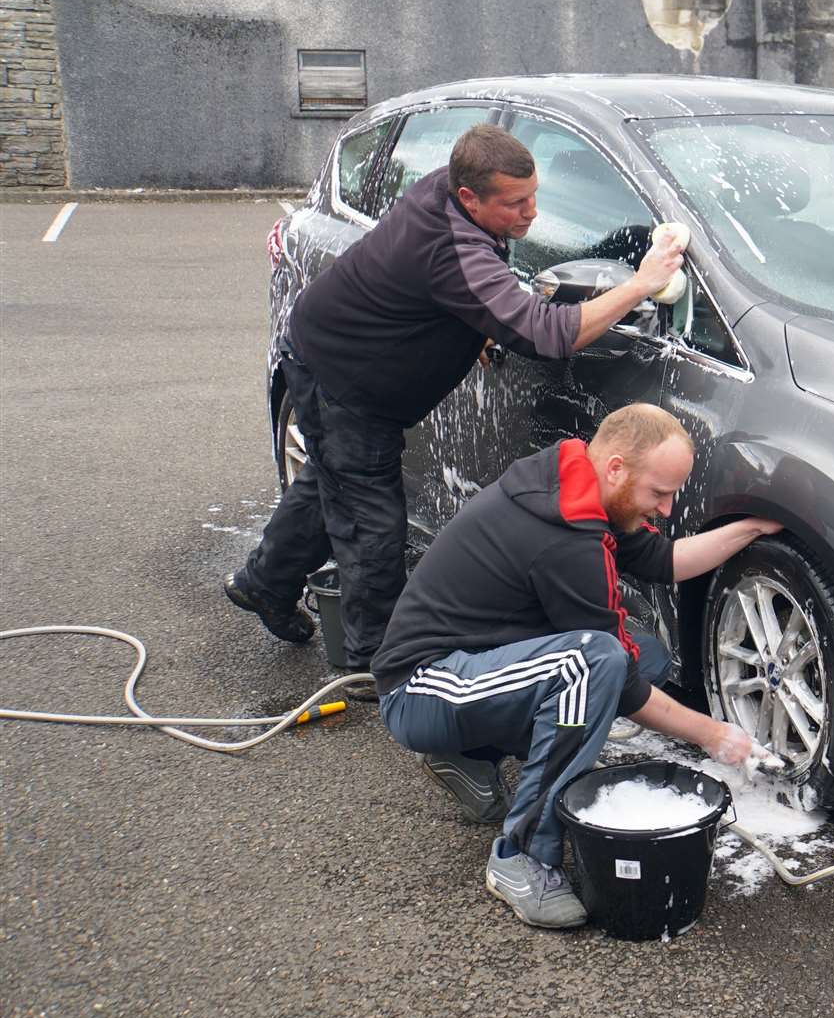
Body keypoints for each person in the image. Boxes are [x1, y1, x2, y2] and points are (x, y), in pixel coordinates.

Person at [223, 124, 685, 693]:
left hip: (339, 361)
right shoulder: (451, 243)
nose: (532, 214)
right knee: (372, 525)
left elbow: (466, 290)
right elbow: (545, 334)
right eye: (515, 203)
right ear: (468, 197)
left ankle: (264, 582)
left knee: (334, 484)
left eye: (535, 196)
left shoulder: (453, 190)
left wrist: (481, 325)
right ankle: (376, 666)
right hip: (342, 378)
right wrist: (641, 285)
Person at [372, 404, 780, 929]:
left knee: (644, 653)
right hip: (422, 687)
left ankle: (471, 755)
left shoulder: (577, 483)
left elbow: (661, 561)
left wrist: (748, 530)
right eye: (659, 493)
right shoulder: (563, 538)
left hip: (475, 668)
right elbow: (621, 685)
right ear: (616, 468)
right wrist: (714, 735)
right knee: (593, 665)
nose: (665, 507)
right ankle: (521, 857)